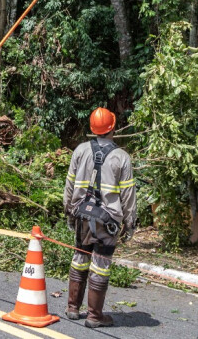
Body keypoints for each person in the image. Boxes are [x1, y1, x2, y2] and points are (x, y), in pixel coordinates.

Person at [63, 107, 136, 328]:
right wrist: (130, 223)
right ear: (112, 127)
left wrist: (68, 210)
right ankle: (94, 316)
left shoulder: (80, 150)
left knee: (80, 257)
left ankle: (73, 307)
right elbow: (128, 195)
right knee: (101, 265)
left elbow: (69, 184)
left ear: (93, 128)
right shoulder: (122, 157)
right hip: (108, 221)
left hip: (82, 215)